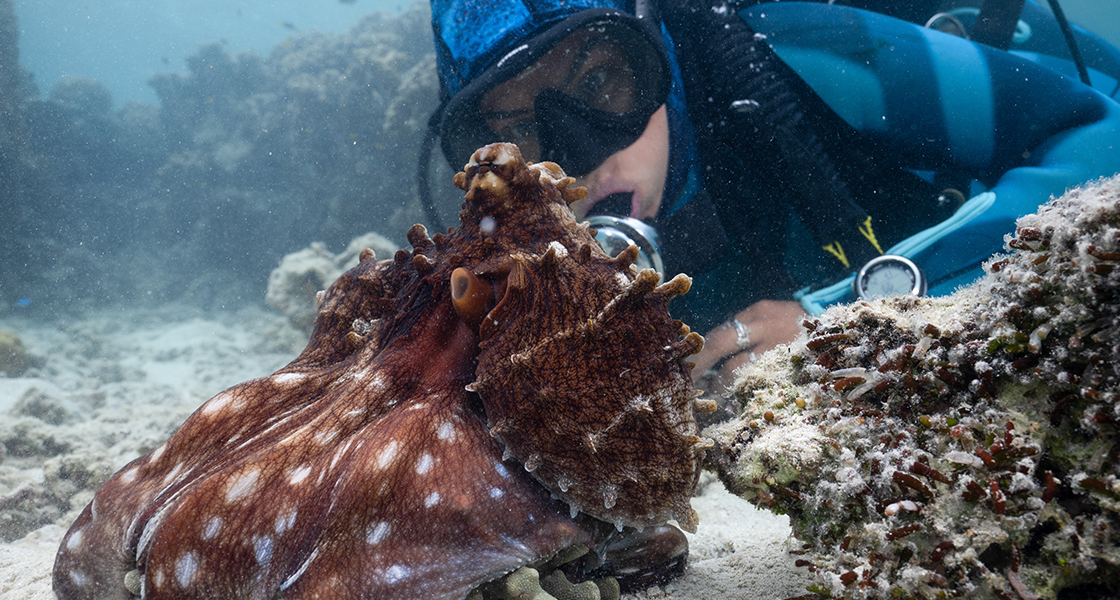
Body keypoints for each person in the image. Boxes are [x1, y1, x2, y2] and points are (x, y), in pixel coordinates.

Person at [423, 0, 1120, 389]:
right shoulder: (525, 244)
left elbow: (1101, 138)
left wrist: (846, 315)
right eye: (521, 127)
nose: (581, 159)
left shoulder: (792, 51)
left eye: (599, 84)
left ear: (654, 42)